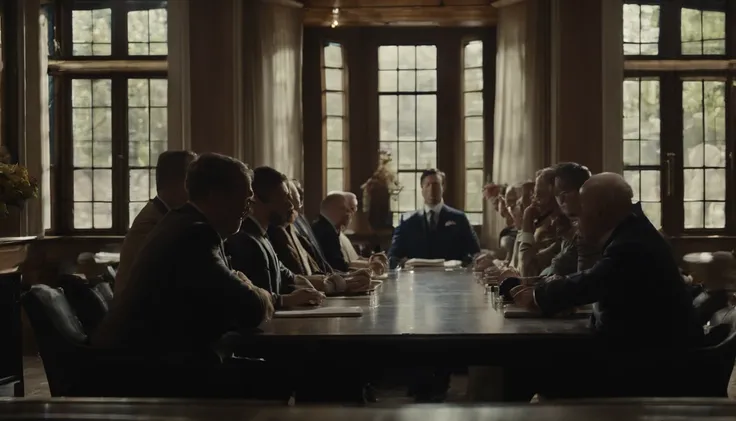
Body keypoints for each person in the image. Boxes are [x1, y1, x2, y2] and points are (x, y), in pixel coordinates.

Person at [93, 153, 273, 356]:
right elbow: (250, 308)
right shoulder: (195, 234)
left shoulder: (180, 221)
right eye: (246, 201)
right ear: (216, 196)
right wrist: (258, 292)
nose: (248, 211)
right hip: (149, 368)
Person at [227, 167, 325, 308]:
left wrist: (301, 283)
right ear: (258, 199)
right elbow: (253, 300)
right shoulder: (245, 240)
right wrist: (288, 299)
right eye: (284, 197)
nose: (290, 204)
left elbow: (284, 273)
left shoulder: (262, 235)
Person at [115, 150, 196, 294]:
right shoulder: (150, 224)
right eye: (194, 179)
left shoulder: (163, 214)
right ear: (177, 182)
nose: (198, 187)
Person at [388, 169, 480, 269]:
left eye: (436, 185)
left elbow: (475, 253)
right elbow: (393, 257)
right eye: (428, 185)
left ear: (443, 187)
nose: (432, 190)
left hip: (452, 279)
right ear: (422, 189)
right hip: (417, 281)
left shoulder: (459, 219)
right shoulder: (407, 221)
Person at [291, 179, 333, 273]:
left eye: (300, 189)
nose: (300, 193)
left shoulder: (302, 219)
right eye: (296, 191)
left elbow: (319, 259)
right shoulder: (290, 225)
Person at [312, 192, 352, 272]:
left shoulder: (321, 226)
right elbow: (338, 267)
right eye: (343, 208)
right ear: (332, 210)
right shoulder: (327, 232)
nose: (348, 214)